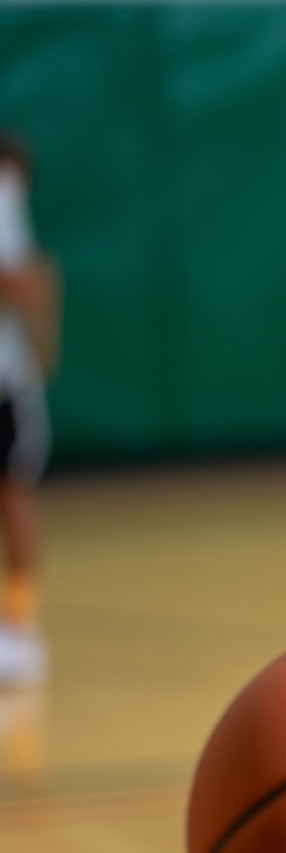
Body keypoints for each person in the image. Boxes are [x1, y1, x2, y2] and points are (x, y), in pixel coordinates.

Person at [0, 132, 57, 687]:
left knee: (14, 493)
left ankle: (20, 630)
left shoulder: (3, 189)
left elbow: (27, 279)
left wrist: (42, 347)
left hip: (5, 382)